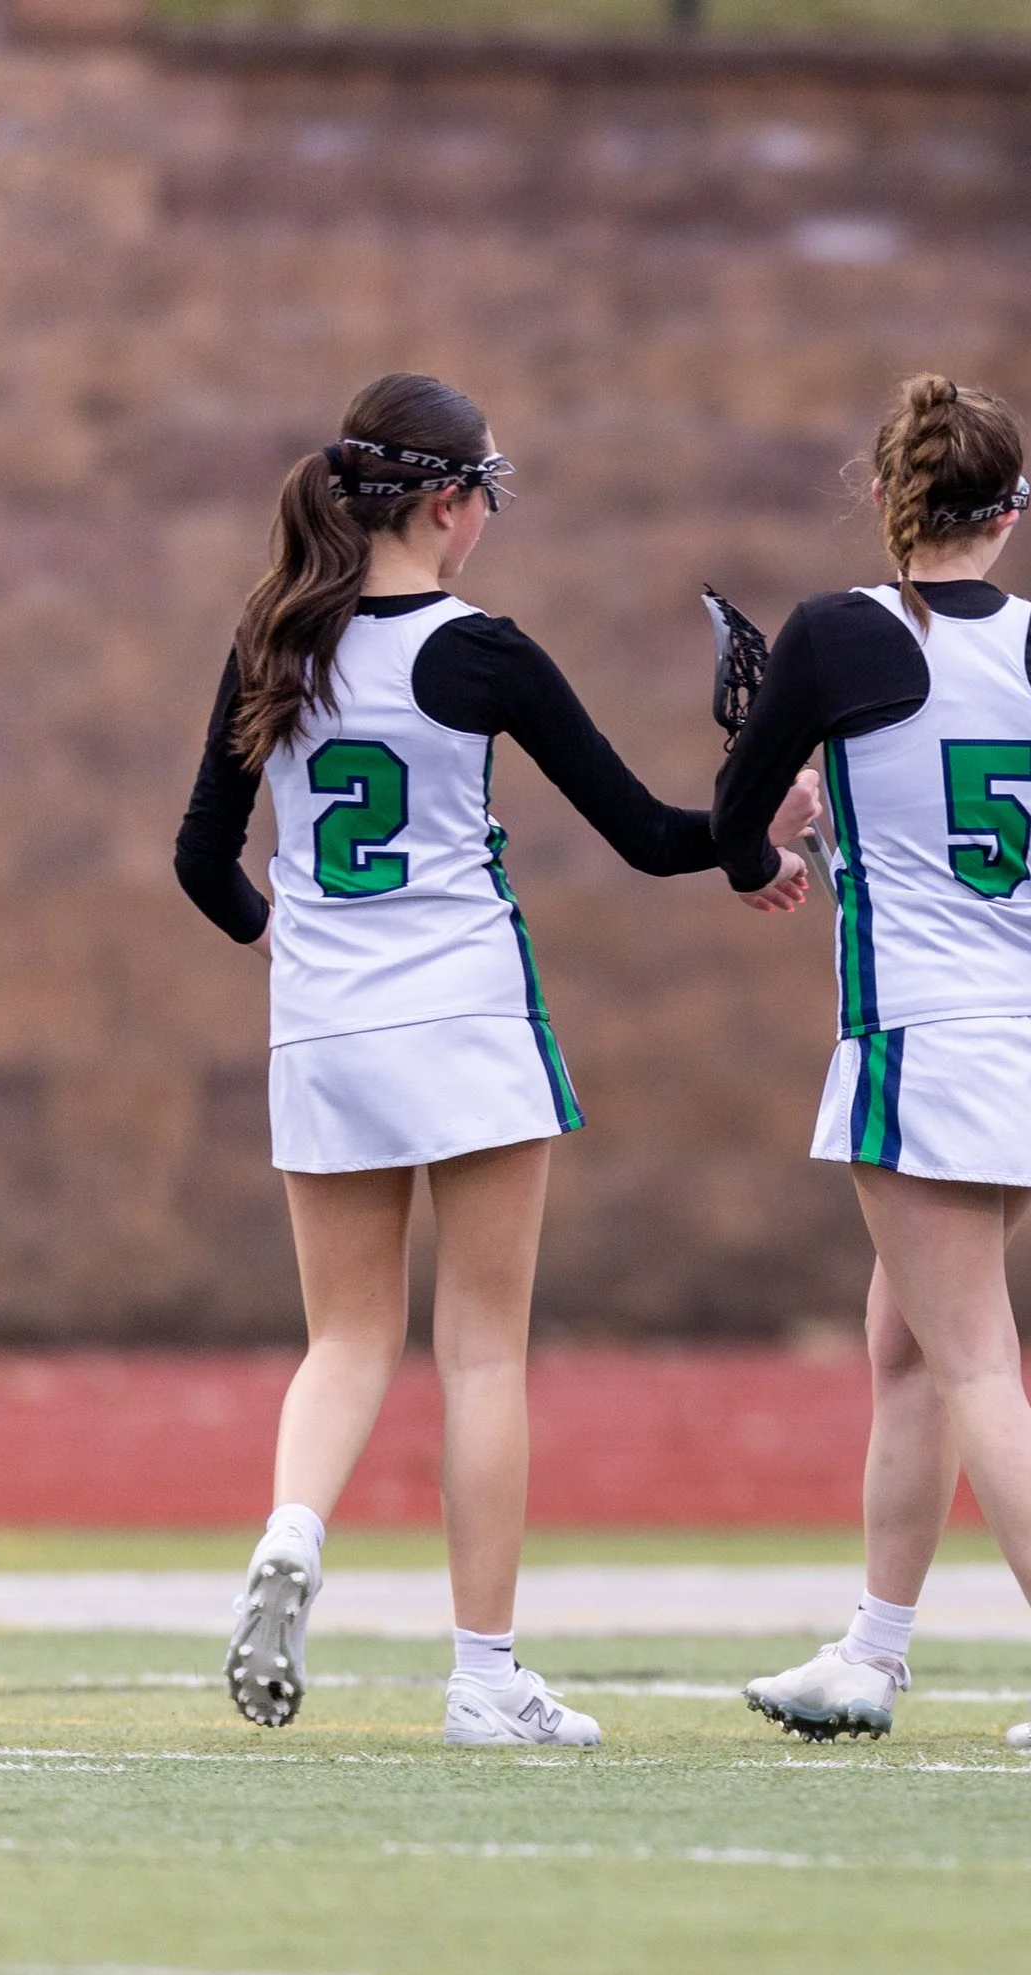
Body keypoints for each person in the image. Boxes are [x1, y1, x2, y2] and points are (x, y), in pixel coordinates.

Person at [175, 371, 755, 1744]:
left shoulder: (271, 641)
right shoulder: (483, 650)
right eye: (485, 491)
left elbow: (203, 861)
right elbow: (650, 835)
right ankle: (486, 1680)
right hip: (470, 1020)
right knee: (482, 1351)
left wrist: (298, 950)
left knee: (345, 1338)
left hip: (324, 1030)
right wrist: (766, 831)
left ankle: (293, 1533)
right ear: (447, 502)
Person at [719, 374, 1031, 1751]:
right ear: (1012, 511)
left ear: (886, 498)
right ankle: (873, 1652)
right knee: (906, 1346)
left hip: (917, 1036)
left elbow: (737, 823)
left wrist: (777, 839)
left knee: (972, 1360)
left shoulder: (837, 634)